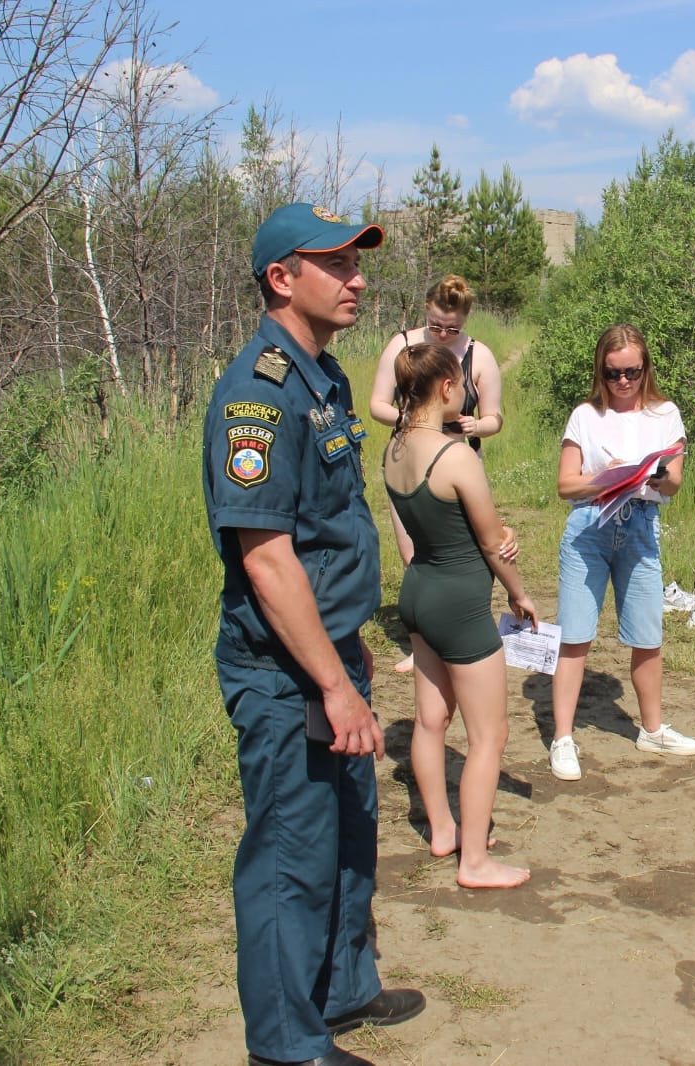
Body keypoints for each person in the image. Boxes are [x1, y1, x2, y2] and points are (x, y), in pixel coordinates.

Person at [202, 203, 424, 1066]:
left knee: (348, 832)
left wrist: (350, 657)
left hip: (334, 658)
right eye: (337, 263)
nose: (358, 278)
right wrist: (330, 682)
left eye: (358, 261)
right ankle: (288, 1045)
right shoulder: (256, 393)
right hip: (289, 677)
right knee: (291, 856)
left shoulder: (323, 378)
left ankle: (341, 989)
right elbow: (266, 559)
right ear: (282, 278)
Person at [383, 340, 537, 890]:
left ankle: (444, 830)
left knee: (430, 721)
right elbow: (492, 542)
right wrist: (518, 591)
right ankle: (473, 862)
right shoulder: (456, 456)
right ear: (446, 387)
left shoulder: (395, 450)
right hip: (459, 604)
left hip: (418, 591)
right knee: (488, 735)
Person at [547, 323, 695, 781]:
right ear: (601, 371)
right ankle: (563, 738)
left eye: (632, 371)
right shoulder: (584, 416)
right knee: (575, 635)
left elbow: (674, 481)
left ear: (645, 368)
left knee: (647, 636)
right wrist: (607, 477)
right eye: (613, 373)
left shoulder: (665, 414)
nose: (623, 381)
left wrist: (646, 475)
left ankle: (651, 728)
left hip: (640, 525)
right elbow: (565, 484)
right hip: (589, 525)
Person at [370, 275, 505, 674]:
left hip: (460, 459)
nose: (443, 334)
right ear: (425, 312)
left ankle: (464, 629)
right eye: (435, 326)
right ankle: (423, 644)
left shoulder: (479, 355)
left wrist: (477, 427)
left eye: (453, 329)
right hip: (410, 455)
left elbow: (494, 417)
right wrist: (416, 421)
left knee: (469, 550)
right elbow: (378, 404)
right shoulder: (402, 345)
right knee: (414, 547)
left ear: (465, 321)